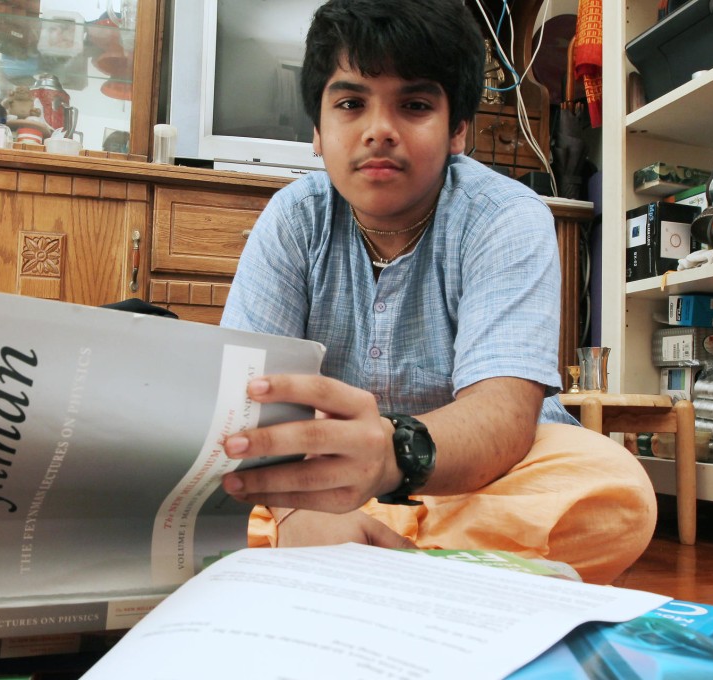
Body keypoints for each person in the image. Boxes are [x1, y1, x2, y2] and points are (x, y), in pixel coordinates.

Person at [218, 0, 655, 584]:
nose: (379, 130)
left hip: (475, 482)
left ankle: (346, 563)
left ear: (458, 131)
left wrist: (390, 457)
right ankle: (446, 574)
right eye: (350, 104)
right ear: (318, 133)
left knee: (611, 489)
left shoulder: (505, 216)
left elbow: (501, 418)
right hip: (321, 485)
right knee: (201, 485)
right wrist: (298, 508)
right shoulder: (294, 219)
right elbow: (244, 408)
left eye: (415, 105)